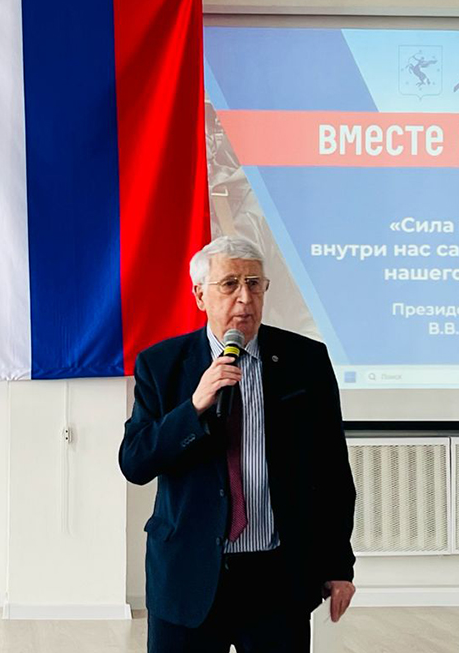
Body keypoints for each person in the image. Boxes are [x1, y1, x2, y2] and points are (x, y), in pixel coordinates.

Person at [119, 236, 356, 653]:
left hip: (276, 578)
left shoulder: (306, 361)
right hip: (187, 576)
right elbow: (135, 463)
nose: (245, 298)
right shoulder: (162, 364)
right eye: (229, 284)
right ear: (200, 295)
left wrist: (339, 565)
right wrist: (194, 406)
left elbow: (333, 472)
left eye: (254, 283)